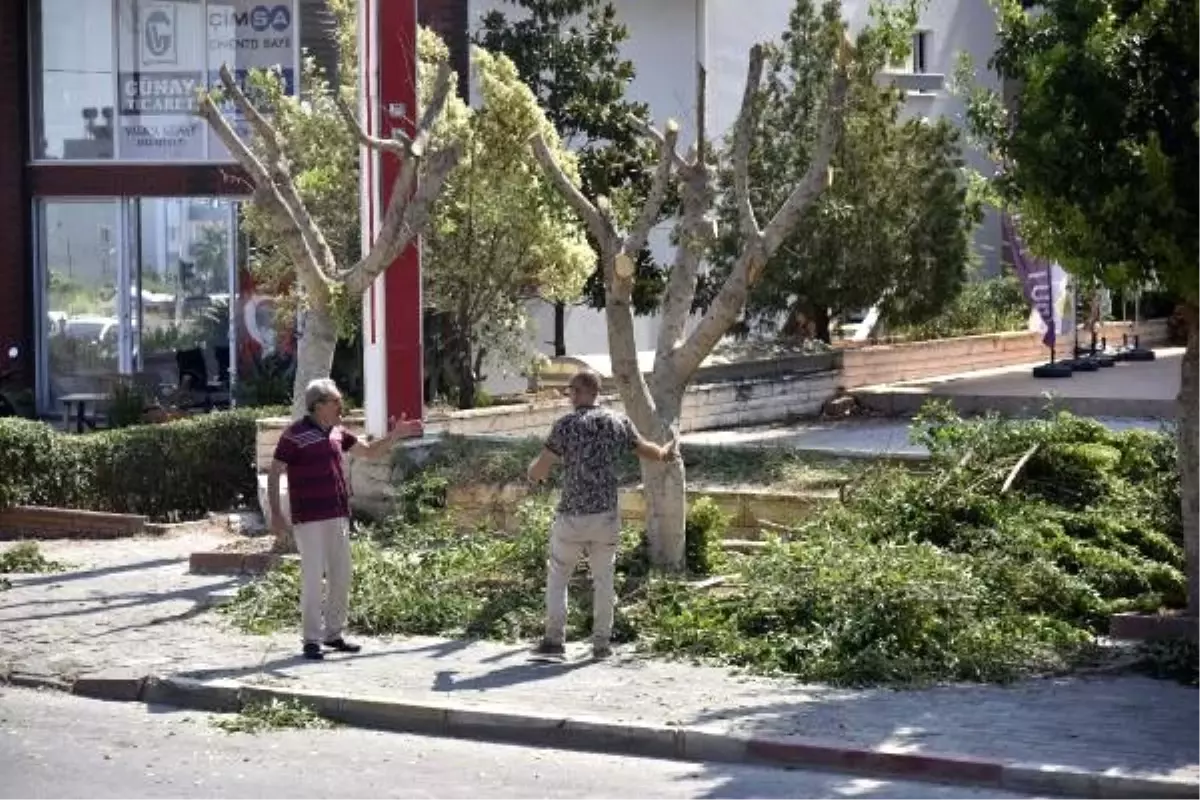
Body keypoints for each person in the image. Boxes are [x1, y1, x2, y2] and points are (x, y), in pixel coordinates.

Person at [526, 370, 678, 660]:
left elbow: (541, 468)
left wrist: (532, 476)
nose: (569, 396)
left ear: (581, 391)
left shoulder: (566, 425)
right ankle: (601, 644)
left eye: (571, 390)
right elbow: (646, 450)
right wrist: (664, 452)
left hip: (571, 515)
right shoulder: (617, 421)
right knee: (604, 579)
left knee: (558, 575)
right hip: (605, 515)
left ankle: (554, 641)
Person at [268, 378, 420, 660]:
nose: (341, 406)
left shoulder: (338, 432)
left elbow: (370, 452)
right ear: (318, 405)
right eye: (336, 401)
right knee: (313, 578)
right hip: (309, 517)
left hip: (337, 513)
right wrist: (277, 513)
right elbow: (275, 471)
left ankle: (334, 634)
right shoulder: (294, 434)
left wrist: (394, 435)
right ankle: (311, 639)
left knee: (341, 575)